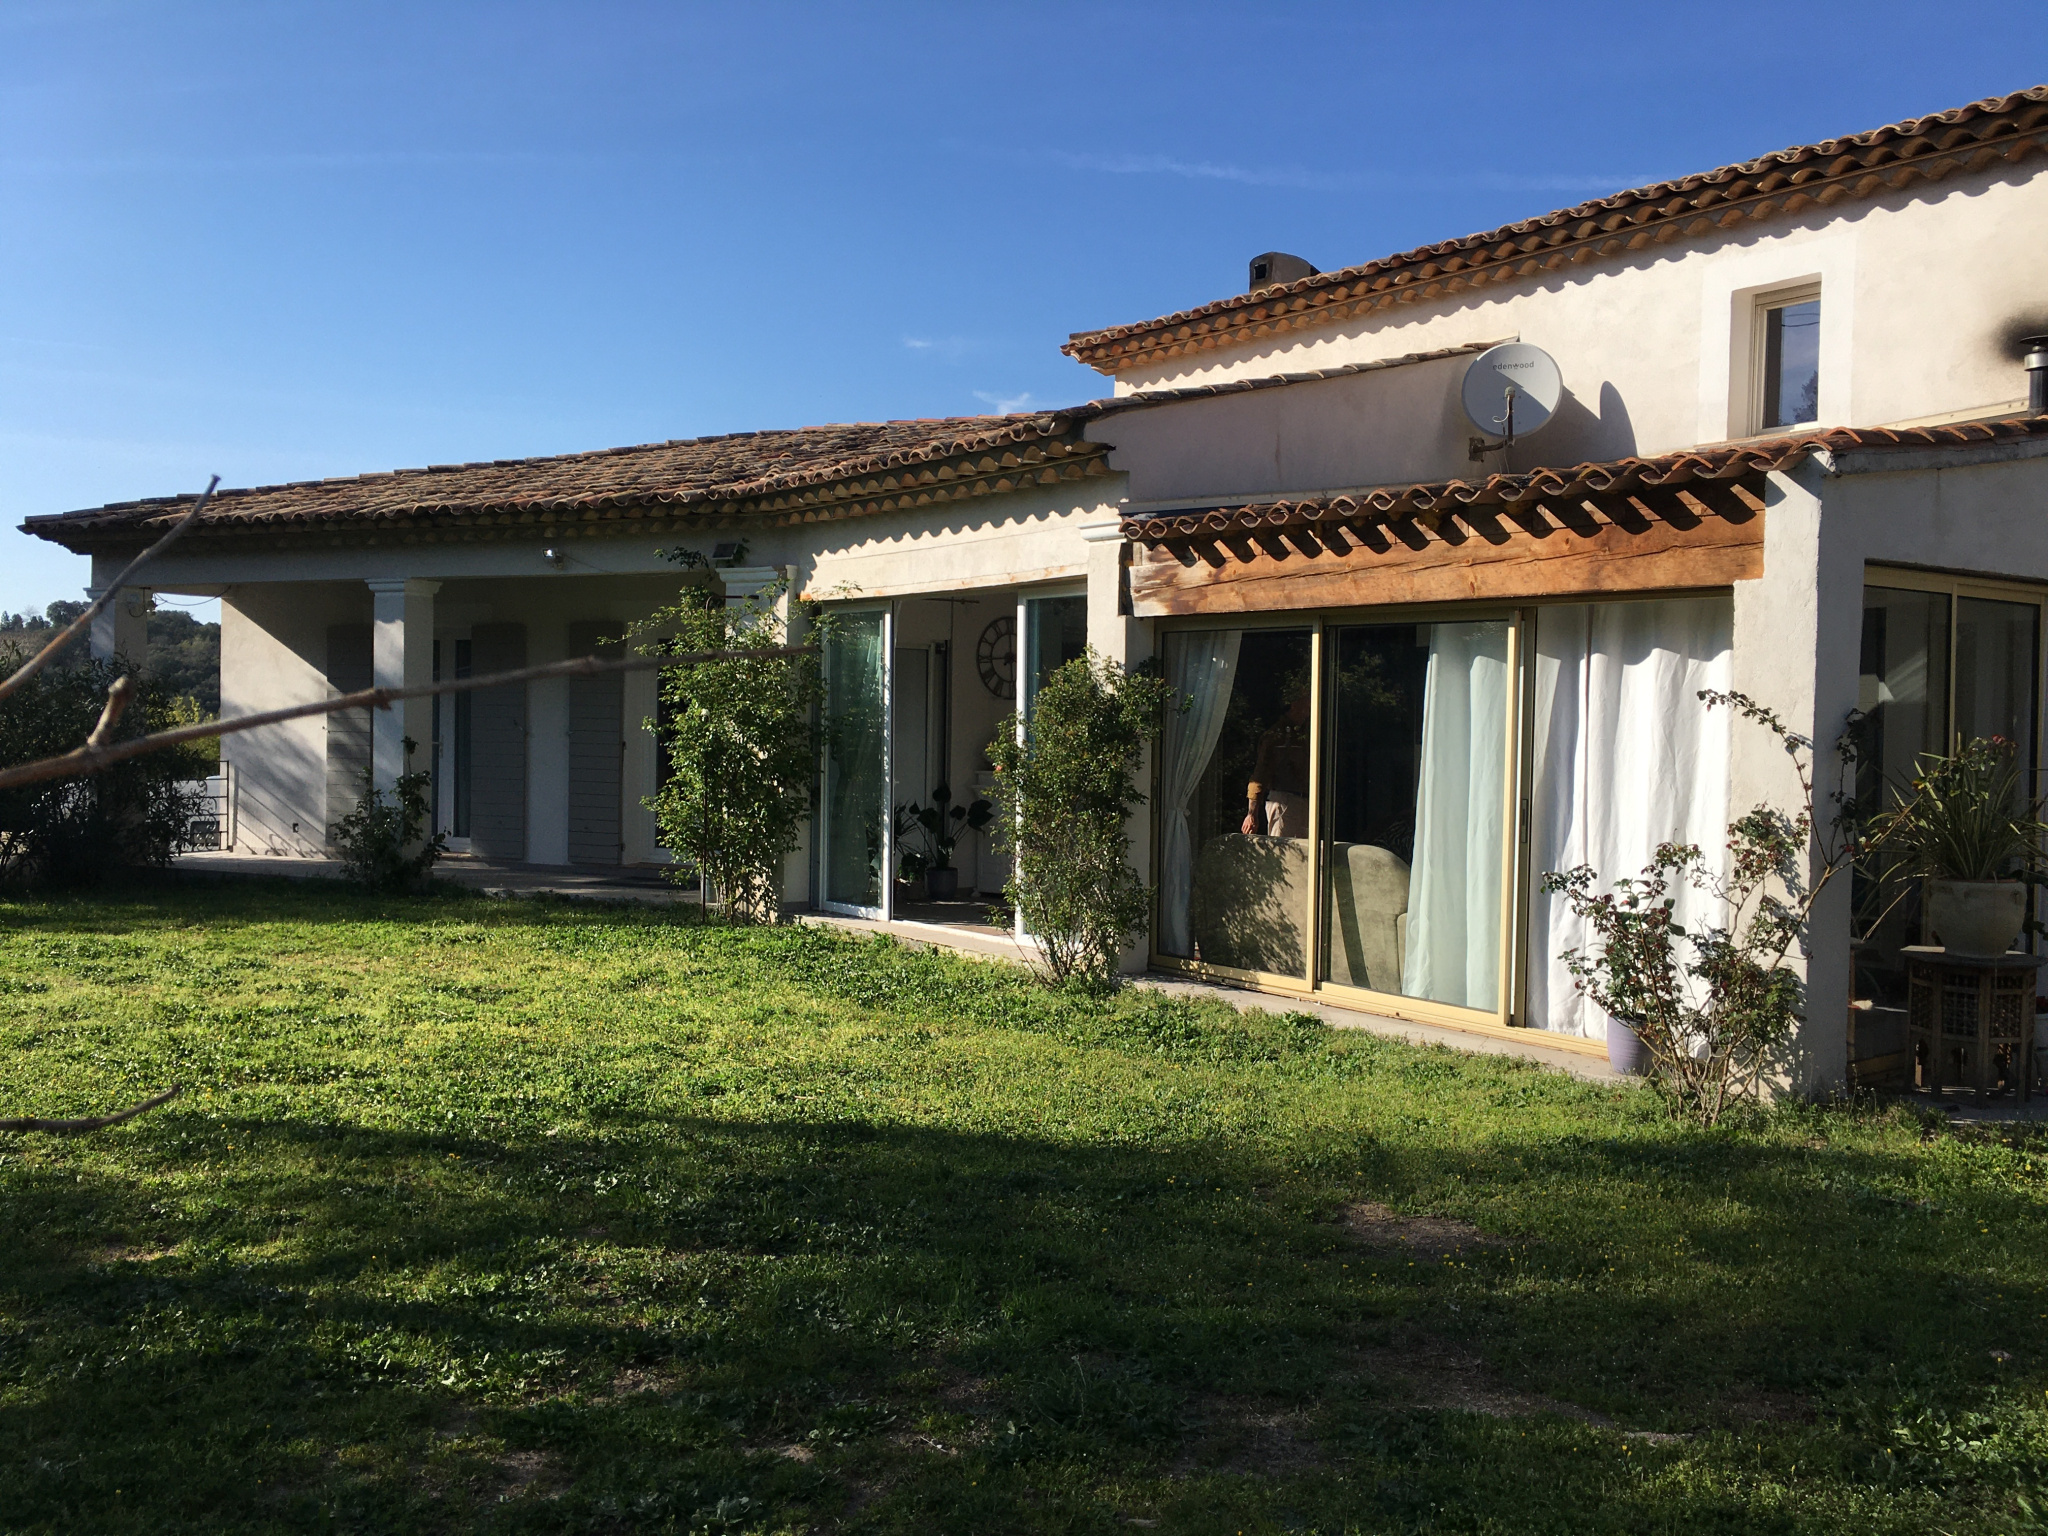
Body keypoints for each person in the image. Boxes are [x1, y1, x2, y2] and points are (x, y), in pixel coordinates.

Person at [1242, 689, 1311, 837]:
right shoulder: (1277, 736)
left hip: (1305, 801)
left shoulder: (1306, 733)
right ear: (1294, 704)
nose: (1310, 707)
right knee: (1284, 848)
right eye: (1306, 701)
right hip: (1284, 801)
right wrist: (1252, 813)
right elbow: (1260, 774)